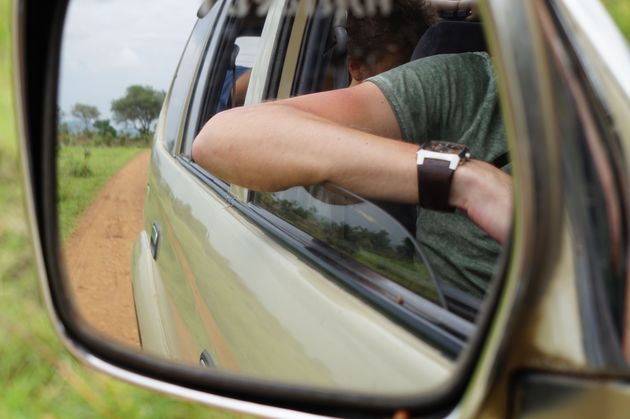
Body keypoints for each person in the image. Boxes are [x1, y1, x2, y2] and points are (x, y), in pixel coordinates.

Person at [192, 11, 512, 295]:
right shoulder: (466, 85)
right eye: (393, 73)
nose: (397, 81)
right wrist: (466, 179)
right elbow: (222, 136)